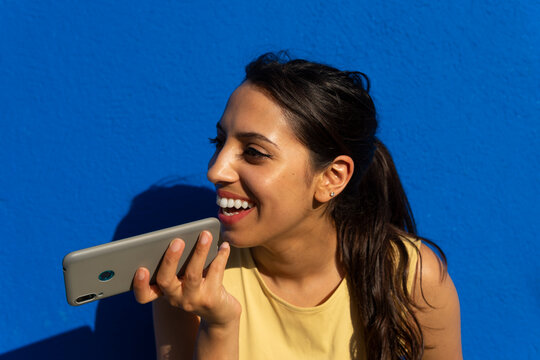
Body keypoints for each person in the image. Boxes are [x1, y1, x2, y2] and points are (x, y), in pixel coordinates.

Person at [133, 52, 462, 360]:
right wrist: (218, 325)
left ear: (331, 178)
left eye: (254, 152)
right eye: (219, 143)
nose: (215, 170)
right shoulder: (190, 281)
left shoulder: (411, 276)